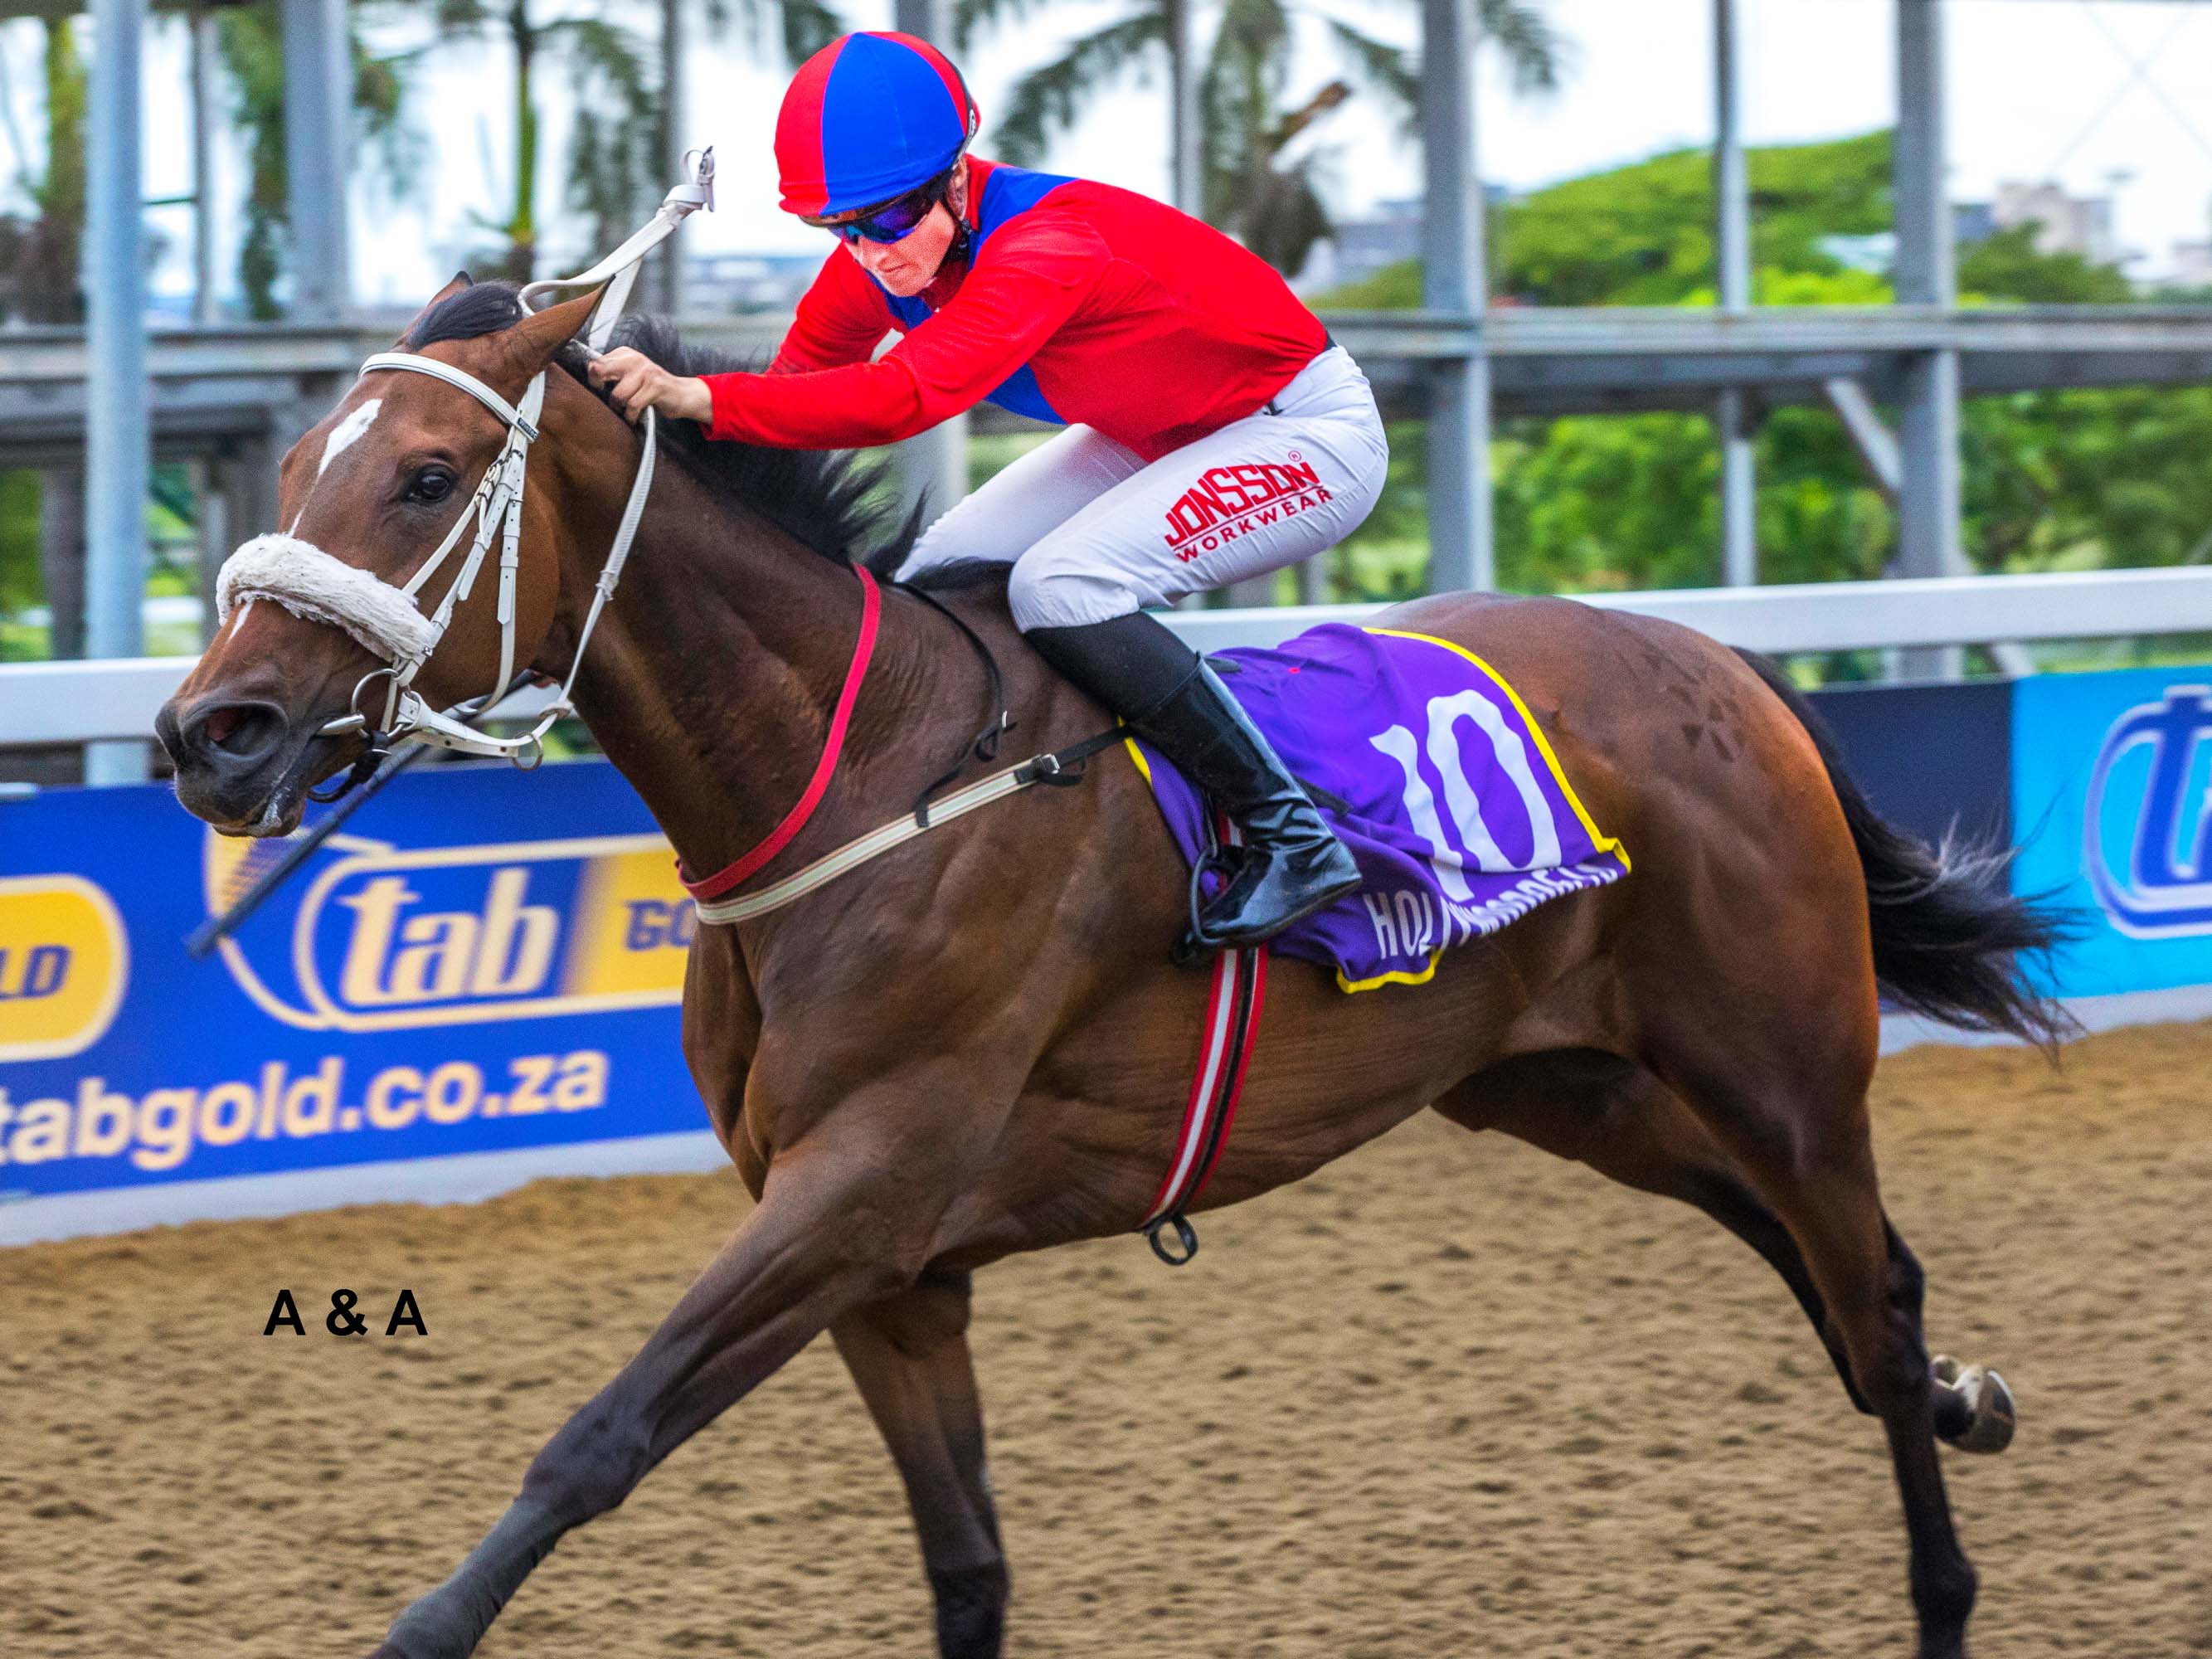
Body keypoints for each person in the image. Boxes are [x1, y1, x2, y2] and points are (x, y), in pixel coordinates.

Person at [590, 30, 1389, 951]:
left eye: (890, 219)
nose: (871, 252)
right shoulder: (879, 262)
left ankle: (1292, 836)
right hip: (1153, 435)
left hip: (1303, 432)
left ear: (957, 180)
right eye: (839, 228)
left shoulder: (1049, 243)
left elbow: (903, 398)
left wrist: (698, 393)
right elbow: (796, 393)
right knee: (929, 582)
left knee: (1061, 586)